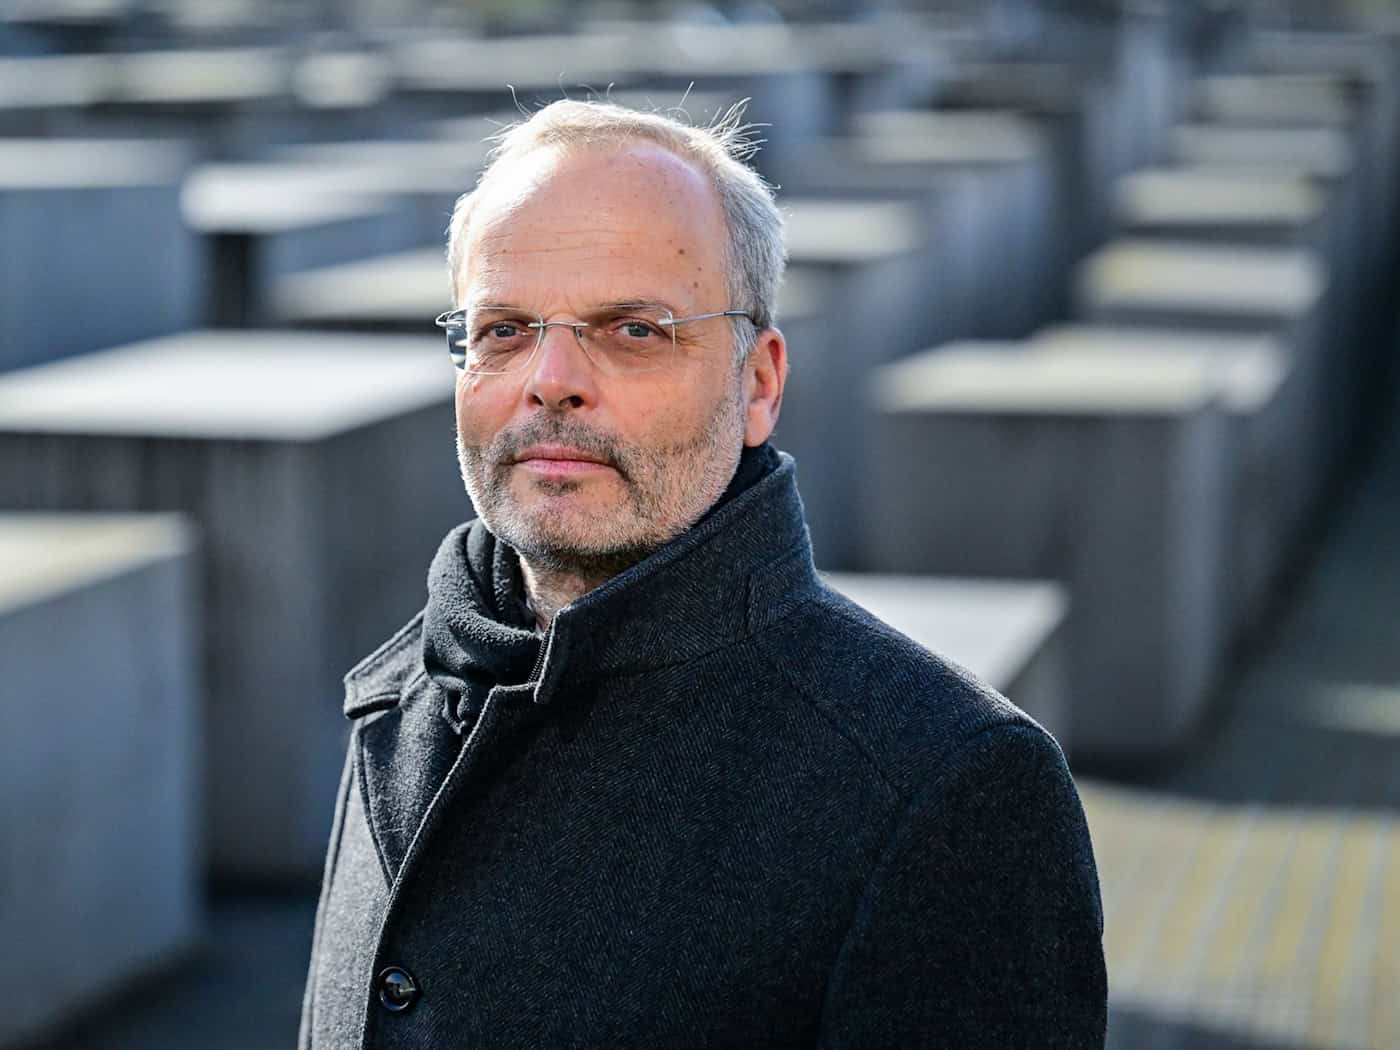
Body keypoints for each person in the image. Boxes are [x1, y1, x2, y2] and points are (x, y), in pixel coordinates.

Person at [298, 99, 1106, 1049]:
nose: (550, 377)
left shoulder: (945, 787)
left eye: (634, 329)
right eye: (504, 329)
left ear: (757, 382)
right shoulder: (403, 695)